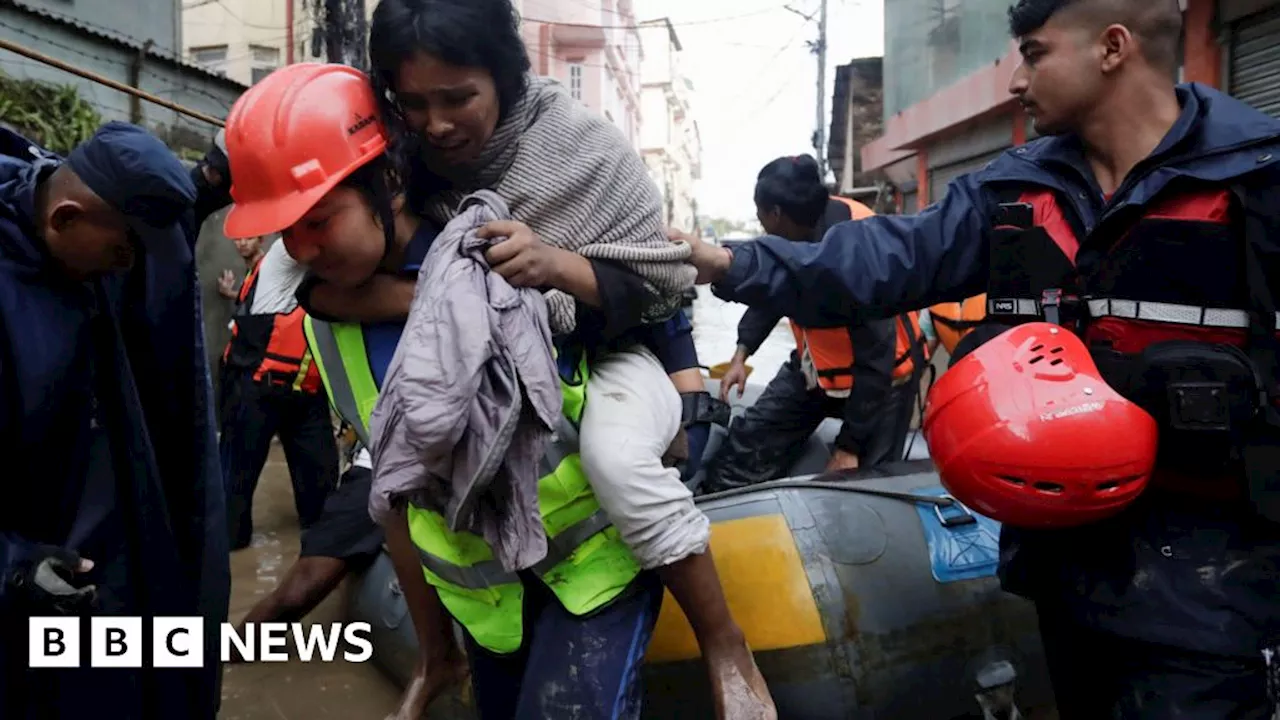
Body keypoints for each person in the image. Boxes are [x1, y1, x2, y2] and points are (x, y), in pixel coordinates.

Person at [678, 0, 1280, 716]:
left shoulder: (1254, 179)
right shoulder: (1016, 189)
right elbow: (884, 259)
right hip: (1064, 569)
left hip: (1214, 587)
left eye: (1034, 53)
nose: (1016, 81)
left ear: (1112, 48)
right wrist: (726, 261)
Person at [220, 62, 748, 720]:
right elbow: (396, 487)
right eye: (286, 232)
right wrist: (436, 647)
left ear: (386, 182)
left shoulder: (502, 246)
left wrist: (689, 404)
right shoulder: (327, 309)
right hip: (487, 597)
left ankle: (727, 646)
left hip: (593, 565)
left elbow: (644, 294)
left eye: (319, 221)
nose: (301, 247)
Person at [354, 1, 772, 716]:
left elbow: (662, 284)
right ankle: (436, 653)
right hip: (494, 535)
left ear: (505, 76)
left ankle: (725, 642)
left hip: (611, 373)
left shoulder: (584, 151)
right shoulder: (402, 165)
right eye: (413, 102)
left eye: (458, 98)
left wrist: (557, 266)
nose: (437, 123)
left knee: (616, 458)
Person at [0, 122, 229, 717]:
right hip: (35, 578)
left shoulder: (81, 232)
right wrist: (13, 569)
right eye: (121, 254)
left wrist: (210, 179)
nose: (128, 271)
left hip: (114, 543)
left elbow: (152, 228)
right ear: (65, 219)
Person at [703, 156, 926, 493]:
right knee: (749, 440)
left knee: (867, 485)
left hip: (884, 378)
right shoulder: (791, 233)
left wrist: (849, 448)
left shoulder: (856, 246)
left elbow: (876, 357)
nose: (759, 222)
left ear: (775, 213)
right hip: (818, 367)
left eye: (760, 212)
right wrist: (741, 354)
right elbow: (769, 297)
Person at [217, 237, 340, 550]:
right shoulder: (287, 251)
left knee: (321, 485)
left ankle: (322, 552)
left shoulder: (331, 278)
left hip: (308, 392)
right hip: (258, 388)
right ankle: (228, 547)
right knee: (236, 480)